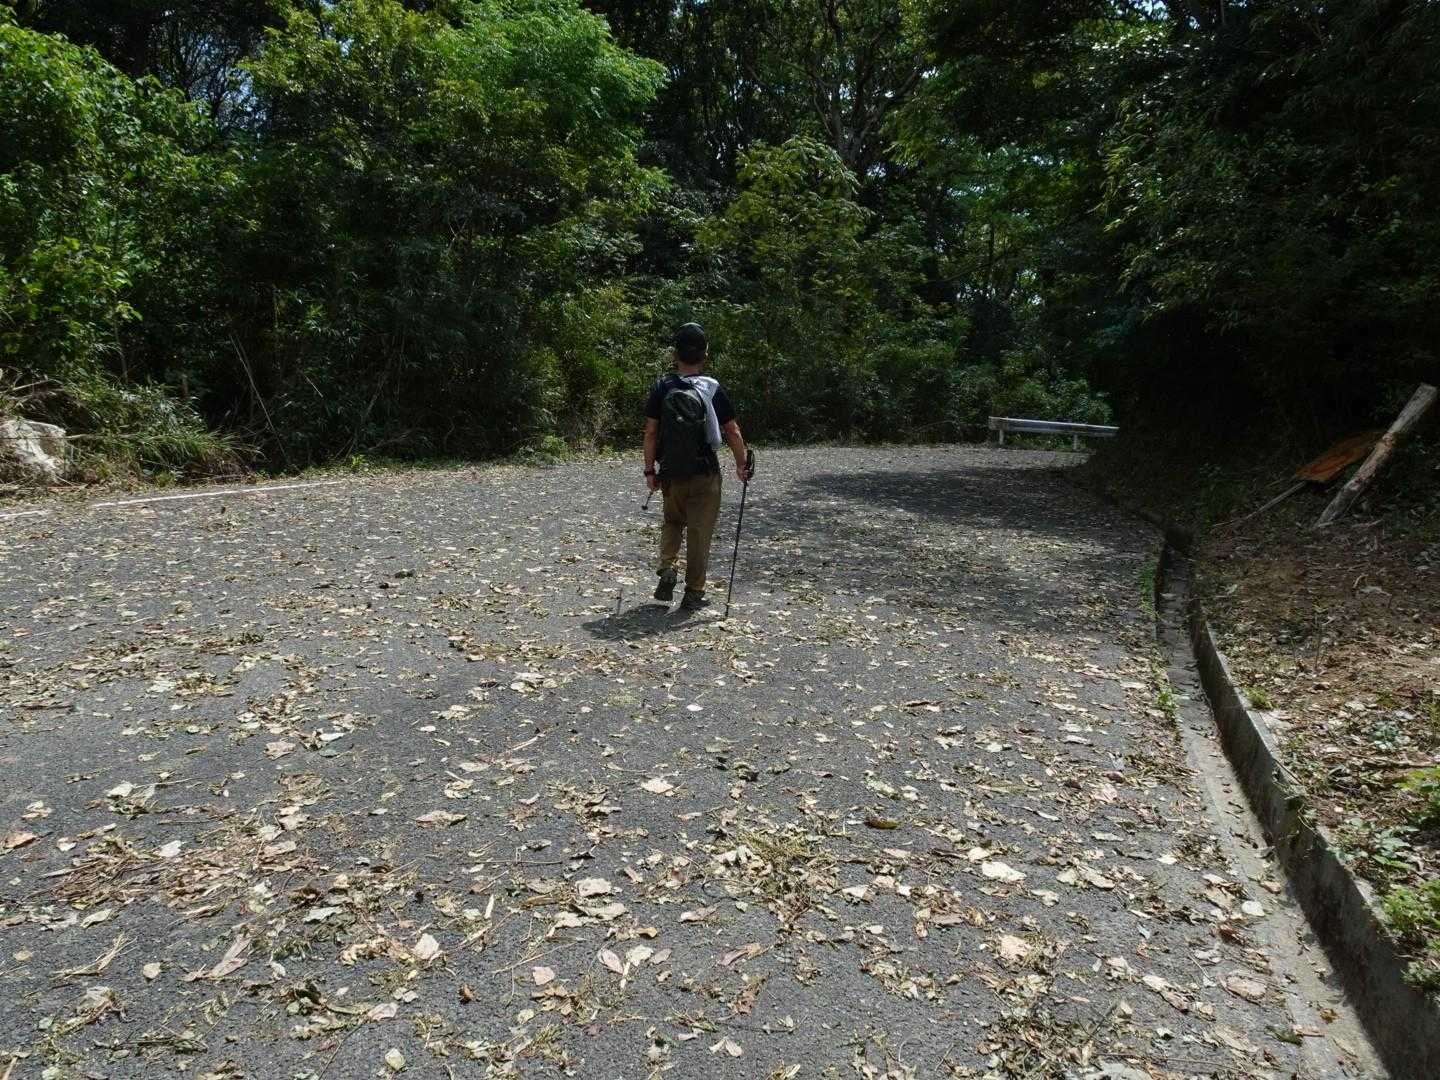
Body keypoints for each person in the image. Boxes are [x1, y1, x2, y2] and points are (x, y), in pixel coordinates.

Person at [643, 323, 749, 611]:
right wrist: (741, 464)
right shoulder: (712, 387)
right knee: (699, 533)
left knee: (672, 522)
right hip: (705, 472)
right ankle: (693, 592)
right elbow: (732, 431)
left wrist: (650, 471)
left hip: (671, 472)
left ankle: (668, 566)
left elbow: (651, 432)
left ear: (675, 354)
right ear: (704, 356)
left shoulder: (662, 387)